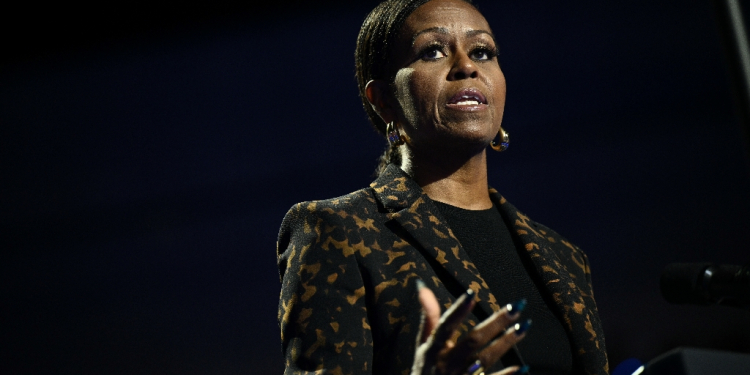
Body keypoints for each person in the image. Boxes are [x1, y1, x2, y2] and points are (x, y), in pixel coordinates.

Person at [276, 0, 609, 374]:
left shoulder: (565, 258)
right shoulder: (337, 231)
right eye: (432, 51)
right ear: (384, 100)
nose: (467, 66)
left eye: (482, 51)